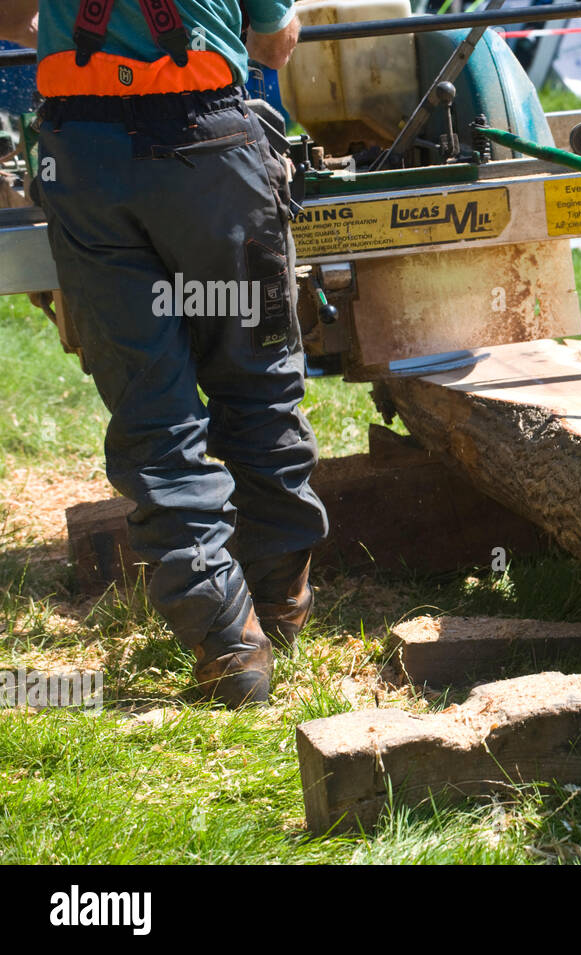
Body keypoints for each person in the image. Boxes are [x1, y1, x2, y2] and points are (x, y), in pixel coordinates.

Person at [20, 0, 329, 708]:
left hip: (89, 166)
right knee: (254, 379)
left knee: (152, 408)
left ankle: (227, 641)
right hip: (207, 165)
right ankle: (279, 602)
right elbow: (274, 40)